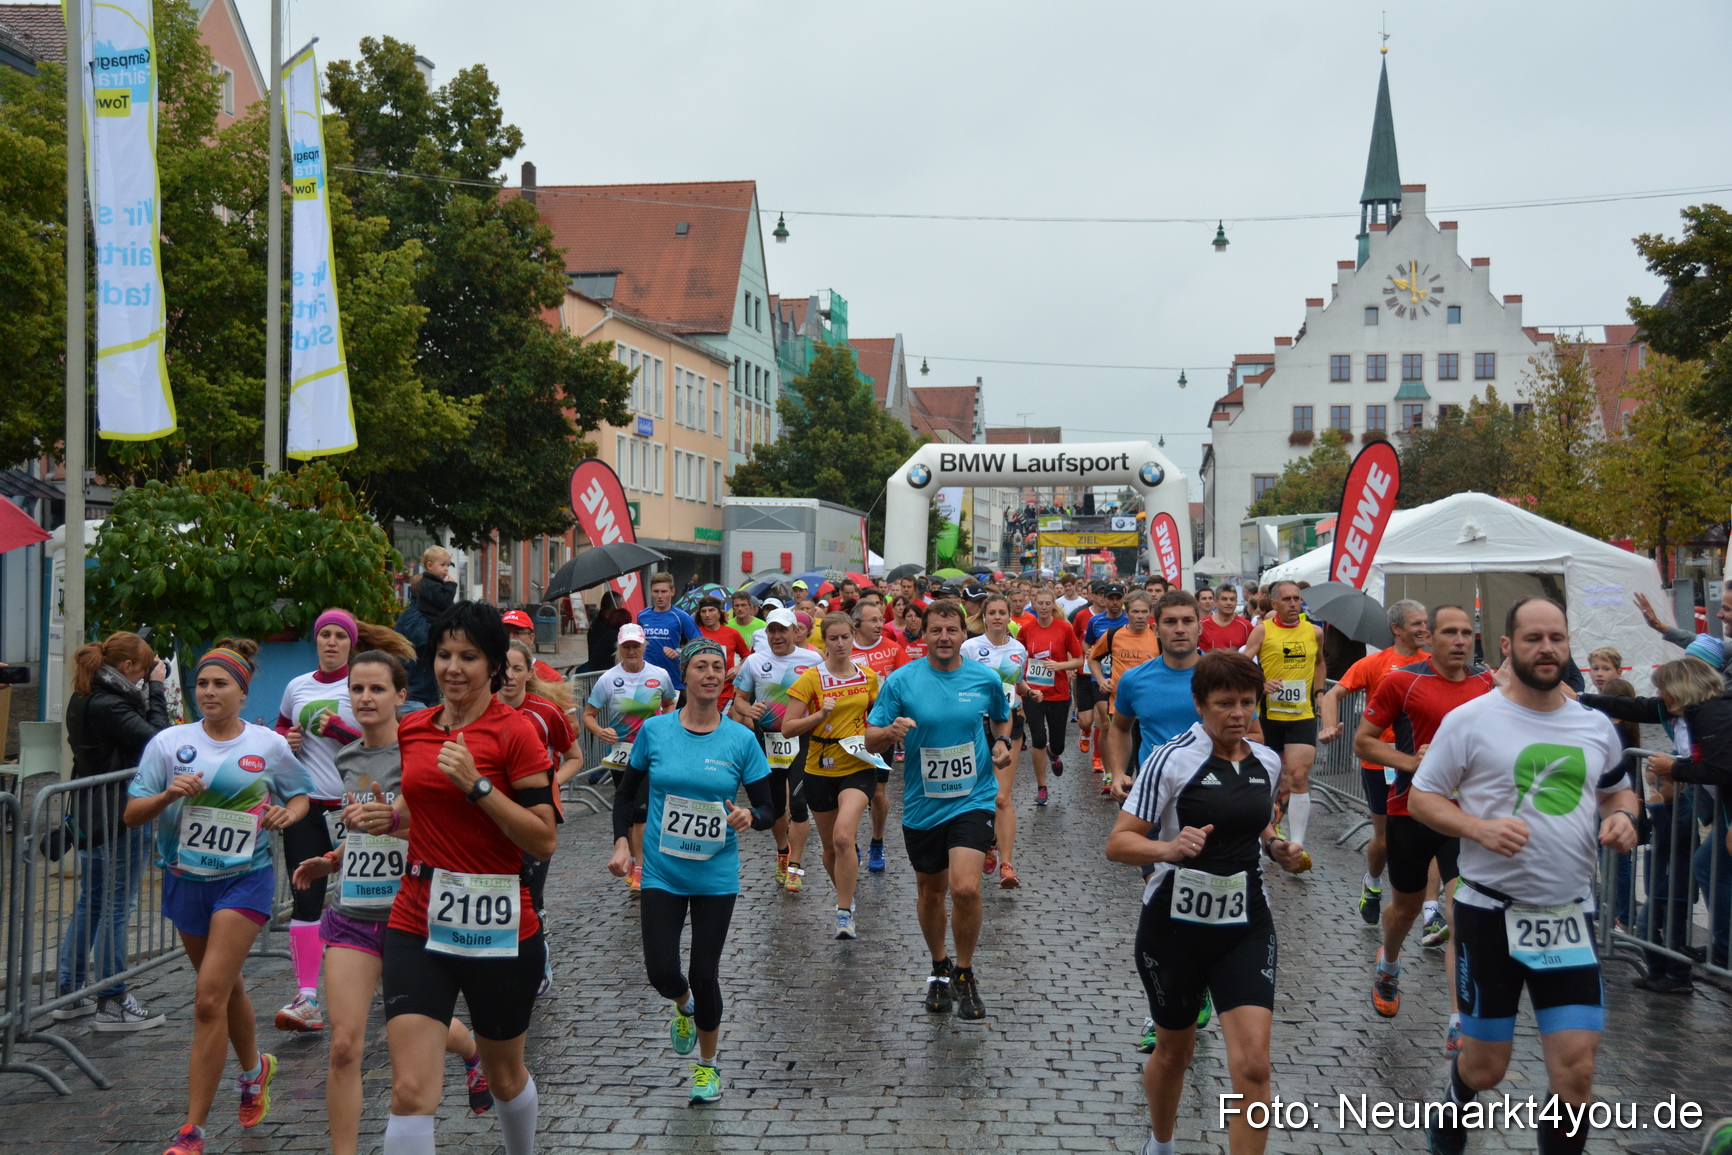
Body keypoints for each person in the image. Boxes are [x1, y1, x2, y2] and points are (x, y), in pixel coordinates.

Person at [1409, 596, 1638, 1155]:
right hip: (1491, 916)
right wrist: (1478, 829)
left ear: (1567, 645)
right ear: (1508, 647)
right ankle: (1455, 1100)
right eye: (1534, 638)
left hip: (1570, 917)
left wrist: (1625, 817)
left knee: (1576, 1073)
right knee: (1485, 1069)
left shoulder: (1594, 725)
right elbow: (1421, 798)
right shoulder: (1472, 720)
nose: (1547, 648)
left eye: (1556, 638)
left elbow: (1616, 789)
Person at [290, 651, 494, 1155]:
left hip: (414, 914)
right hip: (354, 914)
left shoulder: (422, 750)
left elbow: (437, 823)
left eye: (377, 689)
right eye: (357, 690)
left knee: (424, 1029)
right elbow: (365, 831)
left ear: (401, 696)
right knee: (343, 1046)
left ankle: (470, 1051)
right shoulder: (347, 757)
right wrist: (333, 859)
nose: (365, 699)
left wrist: (397, 821)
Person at [1105, 650, 1308, 1155]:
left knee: (1254, 1065)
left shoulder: (1267, 759)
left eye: (1246, 702)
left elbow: (1256, 820)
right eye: (1224, 704)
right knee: (1175, 1053)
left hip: (1245, 924)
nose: (1237, 714)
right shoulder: (1171, 759)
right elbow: (1119, 843)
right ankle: (1162, 1141)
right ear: (1200, 704)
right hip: (1175, 928)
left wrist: (1275, 845)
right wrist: (1169, 848)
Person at [379, 602, 559, 1155]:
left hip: (499, 920)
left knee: (505, 1078)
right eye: (443, 656)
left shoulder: (515, 734)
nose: (453, 668)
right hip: (417, 914)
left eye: (469, 657)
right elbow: (419, 813)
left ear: (494, 666)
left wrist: (479, 787)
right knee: (411, 1090)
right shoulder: (412, 729)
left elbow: (543, 837)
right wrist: (385, 820)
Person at [124, 640, 312, 1155]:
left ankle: (192, 1130)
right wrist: (167, 795)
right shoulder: (168, 743)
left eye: (219, 683)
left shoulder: (267, 745)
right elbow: (132, 813)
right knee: (225, 989)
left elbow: (301, 793)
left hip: (244, 879)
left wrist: (287, 815)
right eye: (202, 683)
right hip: (185, 879)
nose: (208, 691)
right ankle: (255, 1071)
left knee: (208, 998)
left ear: (241, 691)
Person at [609, 639, 776, 1103]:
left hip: (715, 875)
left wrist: (750, 817)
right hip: (662, 870)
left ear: (725, 678)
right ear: (683, 676)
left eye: (717, 666)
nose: (709, 673)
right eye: (700, 665)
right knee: (662, 972)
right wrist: (623, 841)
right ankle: (683, 1007)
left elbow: (768, 806)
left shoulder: (741, 739)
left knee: (705, 972)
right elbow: (626, 796)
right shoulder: (656, 732)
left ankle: (707, 1066)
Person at [1354, 604, 1494, 1054]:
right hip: (1410, 811)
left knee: (1460, 915)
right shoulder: (1403, 680)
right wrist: (1411, 761)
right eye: (1448, 632)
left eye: (1467, 632)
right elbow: (1364, 740)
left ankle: (1458, 1020)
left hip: (1465, 815)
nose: (1459, 640)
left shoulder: (1489, 684)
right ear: (1427, 637)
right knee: (1406, 910)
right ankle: (1389, 962)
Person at [865, 600, 1013, 1021]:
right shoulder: (901, 682)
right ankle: (938, 966)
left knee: (965, 888)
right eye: (936, 631)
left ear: (964, 634)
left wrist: (1001, 744)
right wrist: (889, 732)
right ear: (923, 635)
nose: (944, 637)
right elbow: (871, 738)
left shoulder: (985, 678)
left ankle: (965, 973)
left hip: (974, 796)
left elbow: (1003, 720)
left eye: (952, 630)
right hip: (923, 804)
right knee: (930, 892)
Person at [275, 609, 414, 1034]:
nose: (330, 642)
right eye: (324, 635)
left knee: (413, 1017)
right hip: (312, 805)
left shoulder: (401, 732)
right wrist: (286, 739)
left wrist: (337, 728)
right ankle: (306, 994)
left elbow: (374, 742)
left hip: (362, 817)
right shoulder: (297, 687)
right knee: (307, 896)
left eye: (339, 635)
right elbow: (282, 726)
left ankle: (459, 1045)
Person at [1580, 655, 1732, 986]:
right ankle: (1718, 950)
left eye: (1663, 689)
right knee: (1705, 868)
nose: (1660, 695)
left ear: (1680, 689)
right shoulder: (1680, 710)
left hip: (1721, 812)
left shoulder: (1714, 712)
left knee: (1706, 867)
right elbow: (1636, 707)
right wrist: (1580, 698)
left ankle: (1723, 951)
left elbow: (1721, 768)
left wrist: (1673, 768)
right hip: (1716, 811)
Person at [56, 631, 170, 1032]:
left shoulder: (85, 695)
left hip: (95, 813)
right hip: (122, 814)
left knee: (93, 901)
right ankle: (113, 997)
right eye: (143, 669)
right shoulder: (110, 703)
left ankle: (69, 990)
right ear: (127, 668)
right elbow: (159, 739)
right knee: (116, 906)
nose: (145, 676)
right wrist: (157, 689)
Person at [1318, 599, 1430, 927]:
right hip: (1382, 760)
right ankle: (1373, 882)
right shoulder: (1375, 663)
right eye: (1417, 624)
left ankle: (1433, 911)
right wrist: (1328, 726)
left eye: (1426, 623)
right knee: (1385, 837)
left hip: (1424, 760)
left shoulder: (1433, 664)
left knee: (1434, 832)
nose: (1425, 629)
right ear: (1396, 629)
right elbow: (1331, 694)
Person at [782, 613, 884, 938]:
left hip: (857, 765)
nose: (841, 644)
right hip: (818, 767)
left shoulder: (868, 677)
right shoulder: (811, 679)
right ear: (823, 641)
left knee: (843, 837)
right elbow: (787, 728)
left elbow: (877, 719)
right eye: (834, 638)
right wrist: (819, 714)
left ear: (853, 637)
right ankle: (847, 896)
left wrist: (889, 733)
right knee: (830, 849)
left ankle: (842, 914)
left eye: (845, 637)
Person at [729, 608, 822, 893]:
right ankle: (783, 851)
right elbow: (739, 701)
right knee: (775, 807)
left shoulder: (812, 660)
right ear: (766, 634)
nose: (778, 636)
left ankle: (795, 865)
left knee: (798, 803)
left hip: (801, 740)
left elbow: (821, 699)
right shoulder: (754, 662)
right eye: (772, 631)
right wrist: (749, 709)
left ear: (796, 631)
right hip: (766, 741)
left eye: (783, 630)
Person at [582, 624, 677, 893]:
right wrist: (602, 731)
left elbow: (670, 703)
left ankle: (641, 868)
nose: (632, 651)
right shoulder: (608, 679)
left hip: (652, 752)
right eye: (626, 647)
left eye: (636, 646)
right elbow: (588, 715)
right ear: (620, 648)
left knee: (643, 810)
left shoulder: (659, 675)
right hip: (622, 755)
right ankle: (638, 862)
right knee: (633, 810)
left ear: (645, 646)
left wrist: (665, 725)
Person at [498, 641, 581, 934]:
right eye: (503, 667)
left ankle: (535, 932)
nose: (508, 675)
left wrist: (549, 787)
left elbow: (575, 757)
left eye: (516, 668)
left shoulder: (545, 712)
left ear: (529, 673)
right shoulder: (481, 710)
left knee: (529, 889)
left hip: (537, 814)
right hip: (494, 811)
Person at [1242, 581, 1325, 867]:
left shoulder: (1314, 632)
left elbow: (1319, 664)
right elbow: (1243, 662)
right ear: (1274, 603)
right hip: (1269, 718)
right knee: (1269, 782)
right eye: (1287, 599)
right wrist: (1260, 684)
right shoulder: (1263, 630)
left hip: (1301, 716)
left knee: (1299, 777)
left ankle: (1297, 847)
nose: (1293, 604)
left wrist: (1320, 693)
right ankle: (1265, 833)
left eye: (1297, 599)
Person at [962, 594, 1032, 887]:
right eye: (992, 613)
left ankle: (1006, 864)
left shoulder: (1019, 649)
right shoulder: (969, 647)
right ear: (984, 617)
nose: (998, 618)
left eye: (1002, 613)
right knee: (976, 793)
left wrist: (1030, 693)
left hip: (1008, 725)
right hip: (975, 727)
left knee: (1002, 797)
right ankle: (987, 842)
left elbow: (1017, 685)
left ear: (1009, 617)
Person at [1109, 591, 1206, 797]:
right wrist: (1118, 773)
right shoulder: (1133, 679)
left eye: (1187, 621)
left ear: (1200, 627)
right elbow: (1119, 728)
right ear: (1156, 630)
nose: (1180, 629)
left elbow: (1253, 734)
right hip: (1153, 792)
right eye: (1170, 622)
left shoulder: (1224, 676)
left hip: (1210, 791)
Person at [847, 601, 909, 874]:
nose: (879, 625)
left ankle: (877, 841)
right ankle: (850, 841)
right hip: (847, 731)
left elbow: (907, 686)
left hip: (881, 731)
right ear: (856, 625)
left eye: (880, 620)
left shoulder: (894, 650)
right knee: (849, 791)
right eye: (872, 620)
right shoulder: (844, 650)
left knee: (879, 791)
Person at [1091, 590, 1164, 795]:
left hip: (1150, 708)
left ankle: (1146, 807)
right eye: (1135, 612)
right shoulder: (1114, 635)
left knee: (1148, 763)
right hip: (1120, 706)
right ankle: (1126, 808)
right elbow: (1093, 658)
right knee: (1125, 767)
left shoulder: (1158, 638)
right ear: (1127, 612)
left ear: (1150, 613)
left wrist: (1157, 666)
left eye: (1144, 612)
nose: (1140, 616)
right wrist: (1101, 680)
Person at [1018, 587, 1086, 792]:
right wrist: (1021, 688)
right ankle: (1042, 787)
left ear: (1053, 605)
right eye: (1041, 603)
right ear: (1034, 604)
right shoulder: (1026, 630)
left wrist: (1060, 666)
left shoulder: (1064, 628)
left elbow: (1079, 660)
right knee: (1037, 738)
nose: (1044, 607)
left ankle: (1053, 753)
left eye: (1048, 603)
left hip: (1058, 693)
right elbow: (1019, 660)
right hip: (1033, 692)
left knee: (1058, 745)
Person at [1079, 583, 1129, 774]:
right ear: (1105, 600)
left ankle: (1119, 764)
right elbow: (1086, 644)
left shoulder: (1129, 620)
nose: (1114, 602)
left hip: (1123, 679)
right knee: (1105, 722)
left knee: (1121, 723)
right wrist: (1090, 652)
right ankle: (1103, 764)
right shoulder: (1095, 621)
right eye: (1111, 598)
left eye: (1118, 598)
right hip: (1100, 678)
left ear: (1122, 600)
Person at [637, 572, 703, 695]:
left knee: (671, 714)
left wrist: (679, 652)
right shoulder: (642, 616)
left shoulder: (681, 616)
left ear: (672, 592)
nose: (660, 596)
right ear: (651, 592)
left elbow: (700, 644)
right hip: (646, 679)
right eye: (656, 591)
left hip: (673, 680)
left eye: (664, 591)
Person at [694, 597, 751, 710]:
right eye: (703, 611)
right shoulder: (695, 633)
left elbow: (747, 656)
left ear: (719, 613)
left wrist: (738, 667)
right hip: (701, 692)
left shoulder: (732, 633)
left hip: (726, 692)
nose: (707, 615)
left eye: (711, 610)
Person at [500, 610, 559, 684]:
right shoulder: (488, 673)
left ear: (531, 638)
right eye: (505, 633)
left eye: (518, 633)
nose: (511, 638)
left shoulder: (551, 678)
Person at [580, 591, 628, 674]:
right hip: (602, 672)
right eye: (621, 605)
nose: (622, 607)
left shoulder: (606, 623)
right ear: (615, 606)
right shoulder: (601, 627)